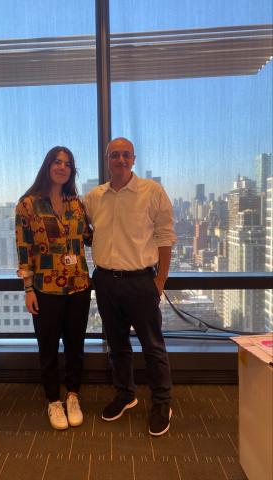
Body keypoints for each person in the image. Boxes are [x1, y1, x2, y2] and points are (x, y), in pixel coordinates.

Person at [83, 137, 176, 436]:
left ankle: (162, 403)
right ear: (106, 159)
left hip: (140, 282)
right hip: (106, 281)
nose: (120, 160)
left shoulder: (152, 192)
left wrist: (160, 280)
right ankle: (126, 395)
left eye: (126, 155)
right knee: (117, 345)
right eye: (114, 155)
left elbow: (165, 236)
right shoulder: (94, 197)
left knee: (153, 346)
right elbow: (81, 229)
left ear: (133, 159)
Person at [15, 146, 92, 430]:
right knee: (47, 348)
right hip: (45, 288)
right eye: (57, 162)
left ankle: (73, 395)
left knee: (75, 345)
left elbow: (91, 237)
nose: (62, 167)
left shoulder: (77, 204)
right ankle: (53, 401)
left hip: (79, 286)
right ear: (48, 165)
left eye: (68, 164)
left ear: (72, 171)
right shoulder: (28, 204)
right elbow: (23, 249)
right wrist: (28, 288)